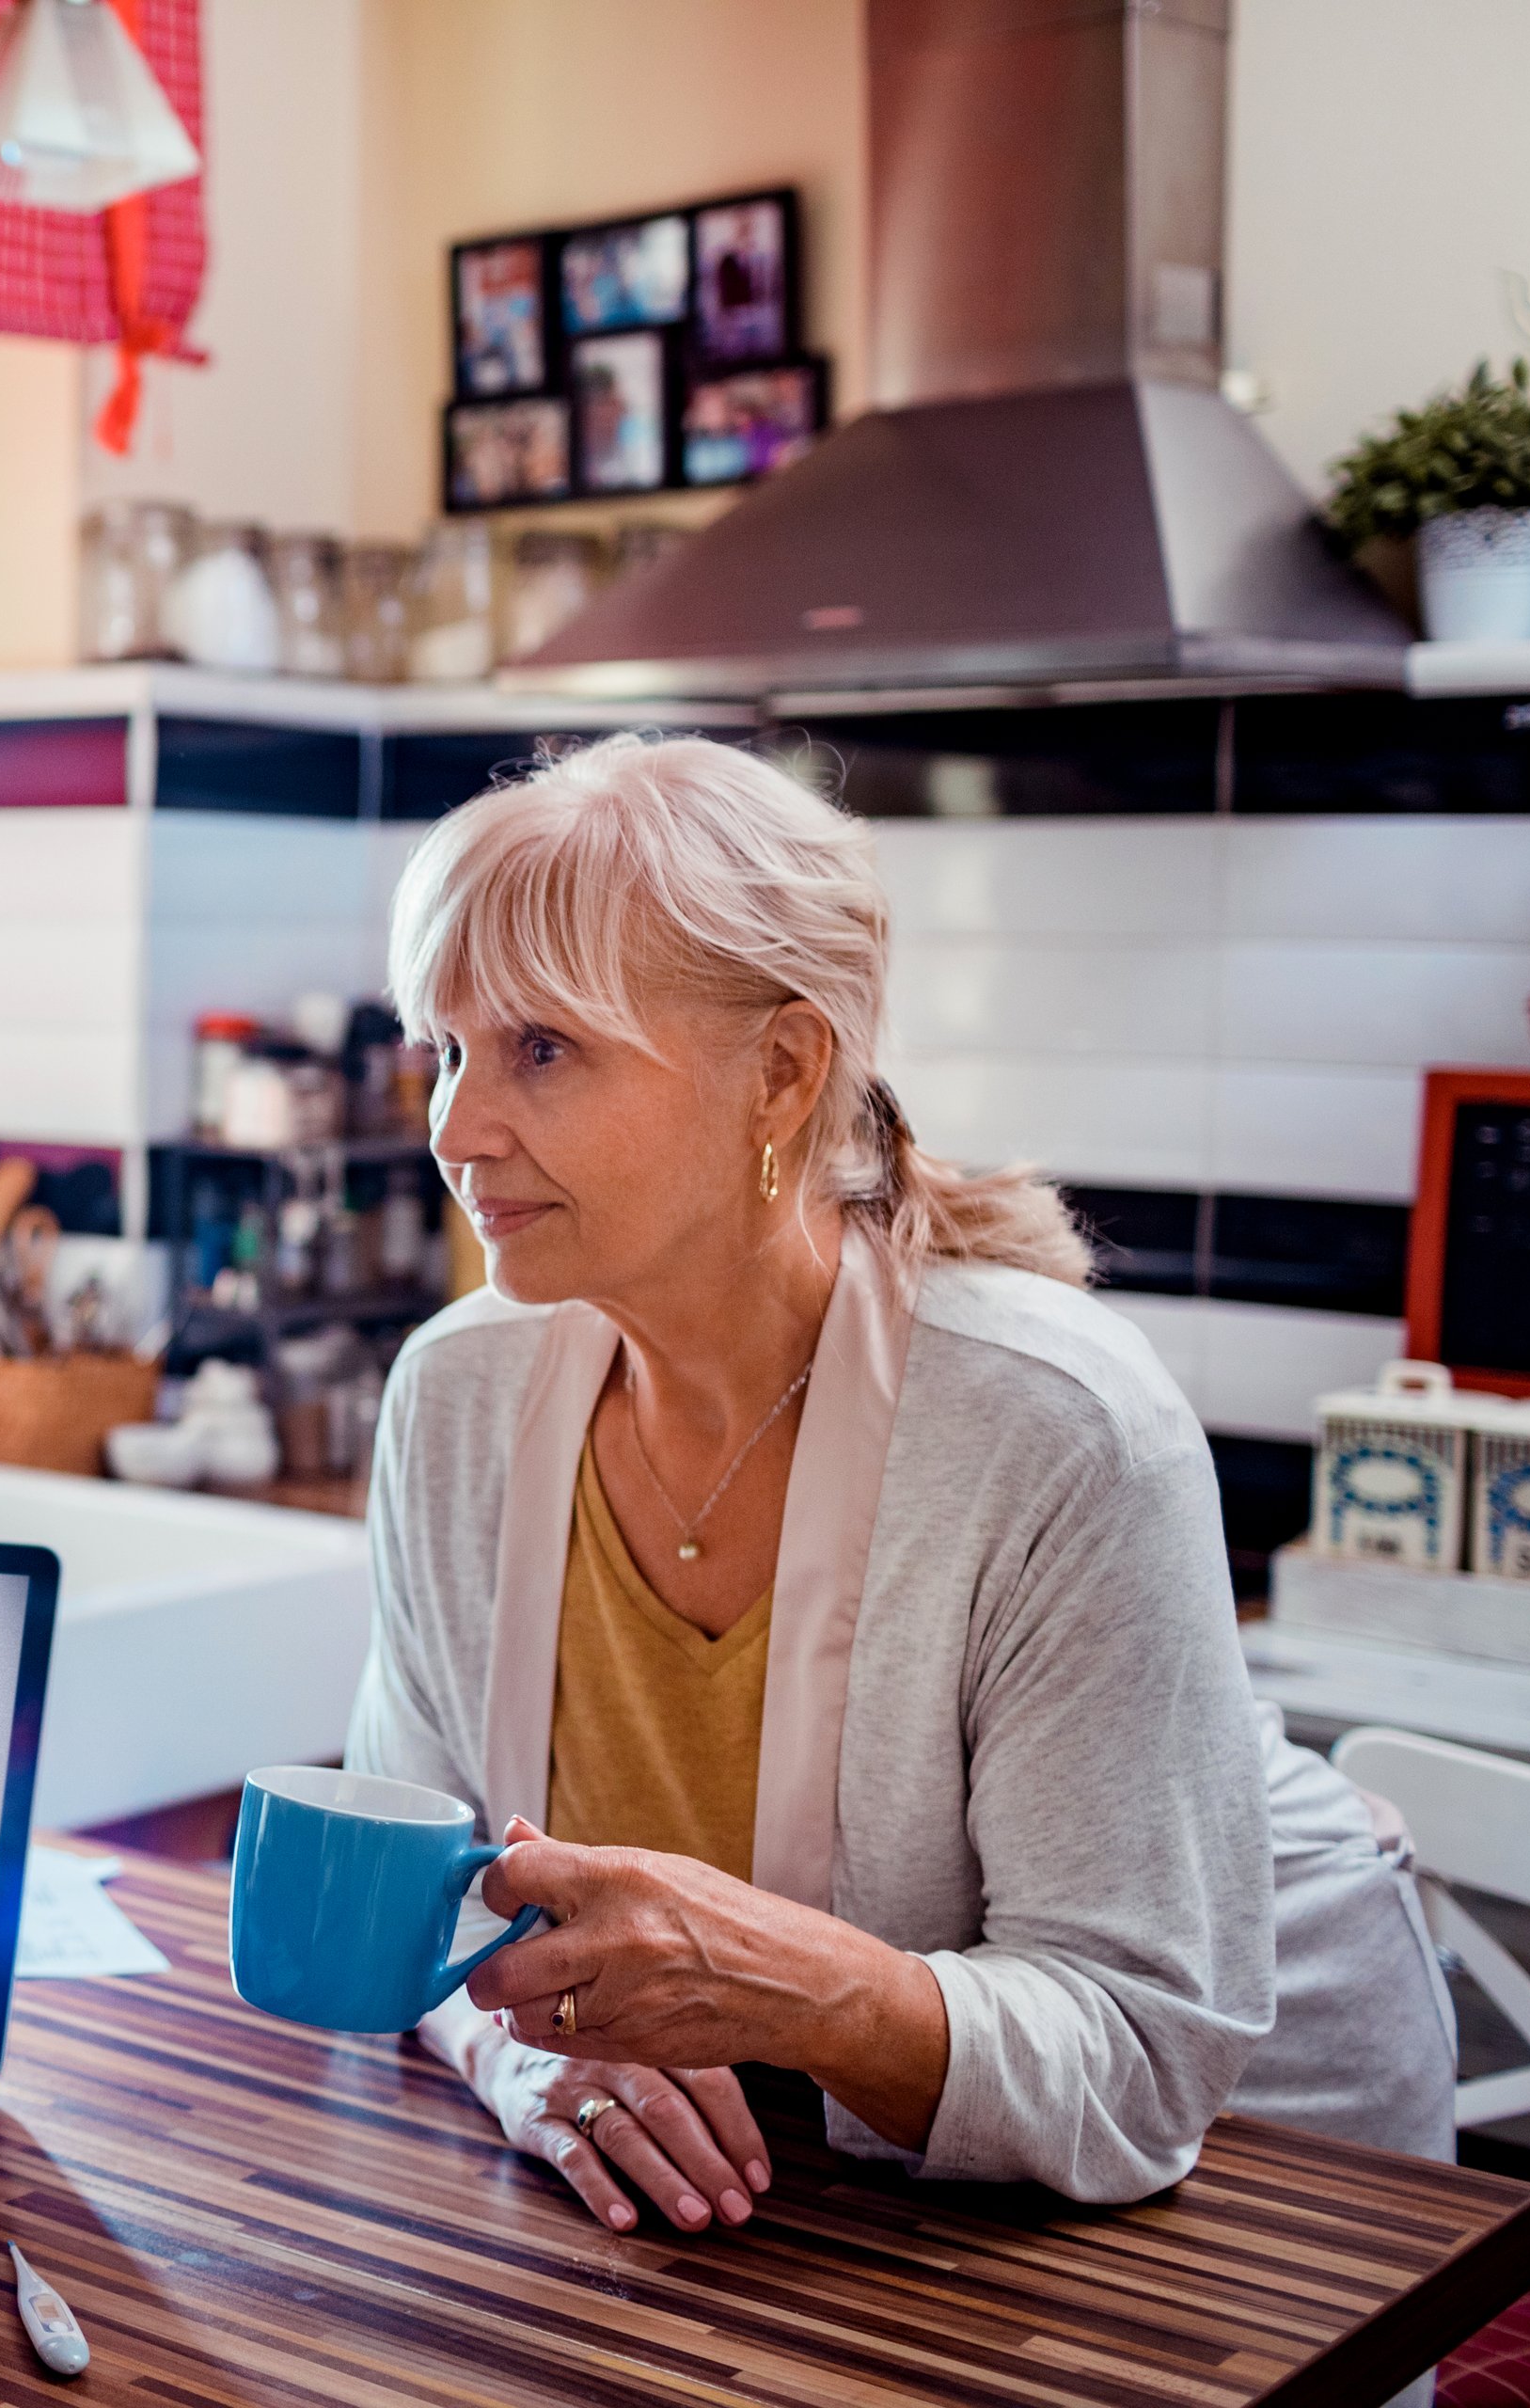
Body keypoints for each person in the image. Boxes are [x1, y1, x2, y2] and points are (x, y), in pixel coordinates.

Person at [353, 735, 1455, 2250]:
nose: (456, 1126)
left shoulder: (1059, 1428)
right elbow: (425, 1894)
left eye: (542, 1047)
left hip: (1254, 2172)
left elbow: (1139, 2047)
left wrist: (787, 1985)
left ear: (783, 1073)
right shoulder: (457, 1397)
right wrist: (527, 2058)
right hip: (807, 2194)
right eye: (448, 1050)